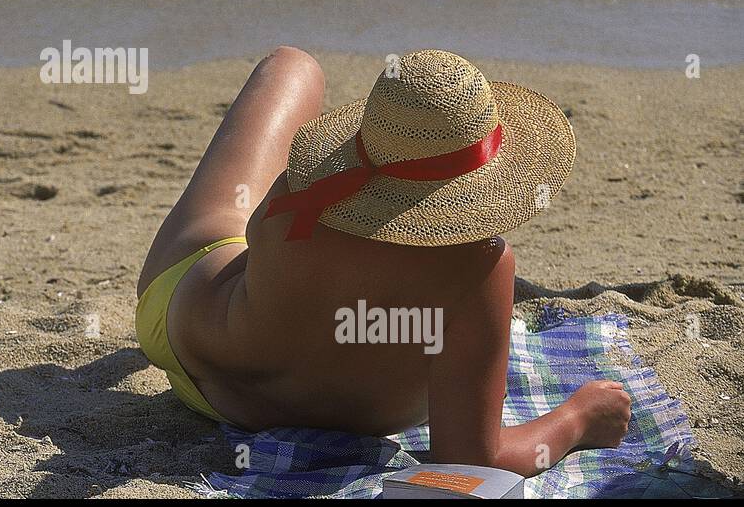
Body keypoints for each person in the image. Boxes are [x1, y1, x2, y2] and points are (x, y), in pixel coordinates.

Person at [135, 47, 632, 477]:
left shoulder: (302, 194)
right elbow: (469, 459)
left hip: (187, 347)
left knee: (292, 66)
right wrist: (578, 418)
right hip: (305, 414)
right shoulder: (479, 265)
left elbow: (268, 259)